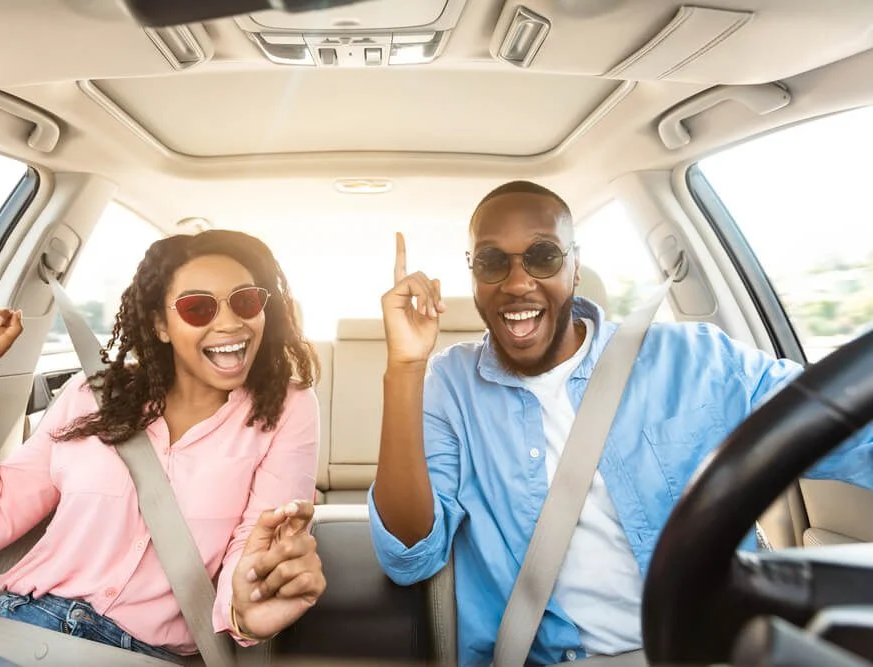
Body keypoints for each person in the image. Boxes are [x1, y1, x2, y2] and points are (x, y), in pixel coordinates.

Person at [368, 180, 873, 666]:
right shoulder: (450, 386)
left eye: (543, 256)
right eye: (491, 261)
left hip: (706, 653)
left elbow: (851, 436)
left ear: (575, 266)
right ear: (473, 273)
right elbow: (410, 557)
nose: (518, 283)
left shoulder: (698, 360)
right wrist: (405, 367)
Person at [0, 230, 326, 666]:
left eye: (246, 301)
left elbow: (256, 542)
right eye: (198, 308)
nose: (230, 322)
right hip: (11, 630)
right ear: (160, 325)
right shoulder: (92, 394)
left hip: (143, 655)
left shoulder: (288, 408)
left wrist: (245, 608)